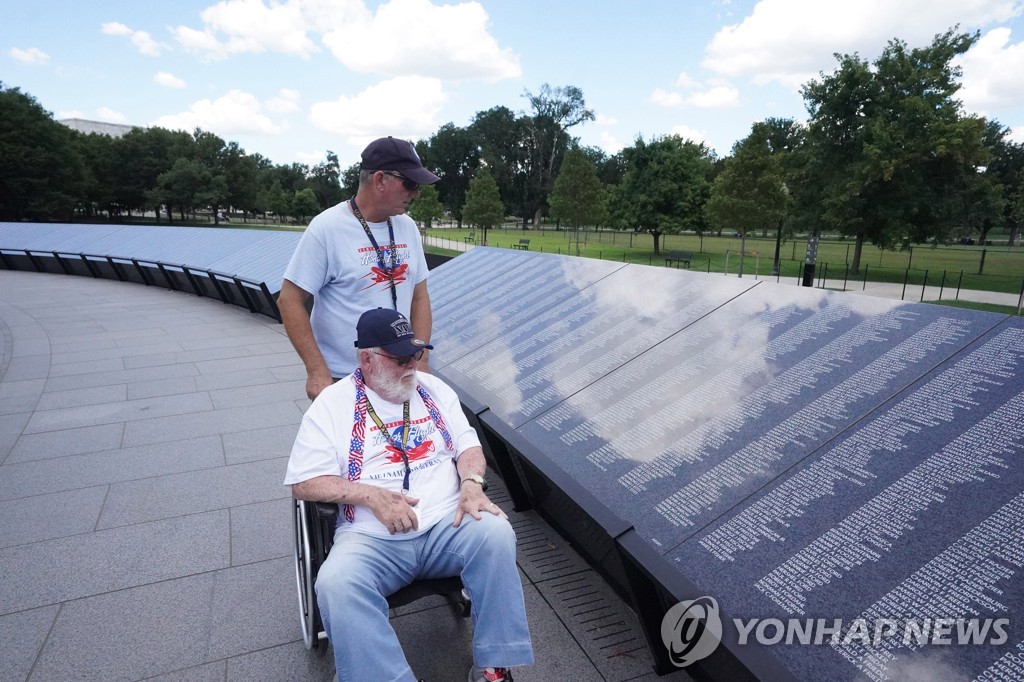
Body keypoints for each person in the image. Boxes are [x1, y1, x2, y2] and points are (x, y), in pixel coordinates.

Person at [284, 308, 534, 682]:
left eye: (416, 354)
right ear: (367, 359)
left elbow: (468, 447)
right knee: (336, 584)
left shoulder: (434, 390)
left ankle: (494, 667)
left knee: (496, 533)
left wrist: (471, 484)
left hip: (445, 525)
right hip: (372, 540)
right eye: (400, 358)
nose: (412, 365)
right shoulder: (332, 406)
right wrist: (371, 495)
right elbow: (304, 482)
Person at [279, 136, 439, 401]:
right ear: (380, 180)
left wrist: (420, 361)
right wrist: (317, 370)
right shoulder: (326, 228)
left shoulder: (407, 226)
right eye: (410, 183)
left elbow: (420, 296)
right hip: (345, 378)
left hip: (400, 373)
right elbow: (289, 300)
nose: (416, 193)